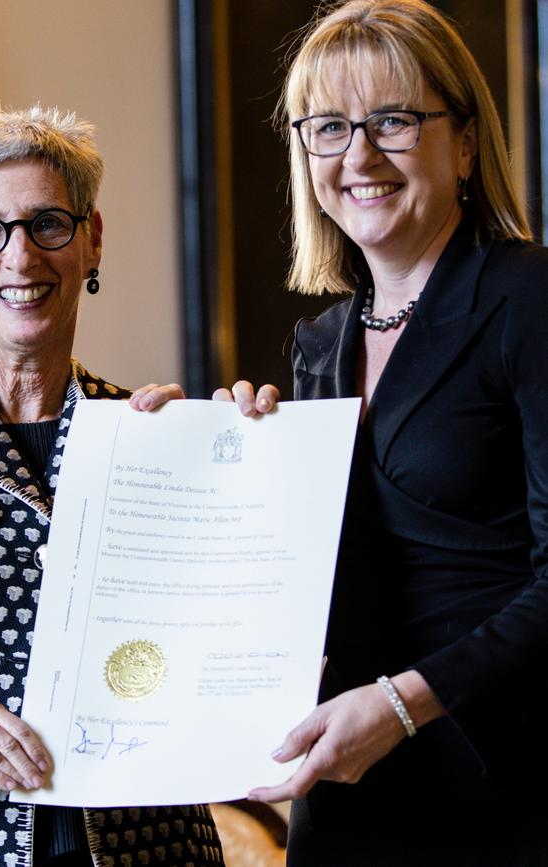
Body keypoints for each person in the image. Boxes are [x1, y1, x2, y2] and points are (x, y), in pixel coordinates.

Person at [213, 0, 548, 863]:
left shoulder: (530, 300)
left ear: (465, 142)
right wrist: (225, 466)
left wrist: (403, 704)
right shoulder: (320, 344)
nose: (358, 156)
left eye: (393, 121)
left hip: (506, 787)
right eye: (328, 128)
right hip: (351, 796)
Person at [0, 106, 223, 866]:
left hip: (154, 850)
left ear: (92, 240)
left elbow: (220, 655)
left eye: (47, 223)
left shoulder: (160, 440)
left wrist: (231, 465)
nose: (20, 256)